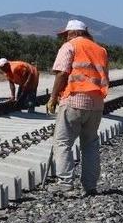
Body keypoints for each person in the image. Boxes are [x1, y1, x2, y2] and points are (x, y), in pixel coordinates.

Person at [45, 20, 109, 197]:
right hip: (96, 104)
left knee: (62, 142)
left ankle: (65, 183)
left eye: (66, 34)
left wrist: (52, 98)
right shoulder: (100, 50)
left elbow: (62, 73)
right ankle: (90, 186)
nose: (64, 37)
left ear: (72, 33)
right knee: (90, 144)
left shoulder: (70, 46)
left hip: (74, 100)